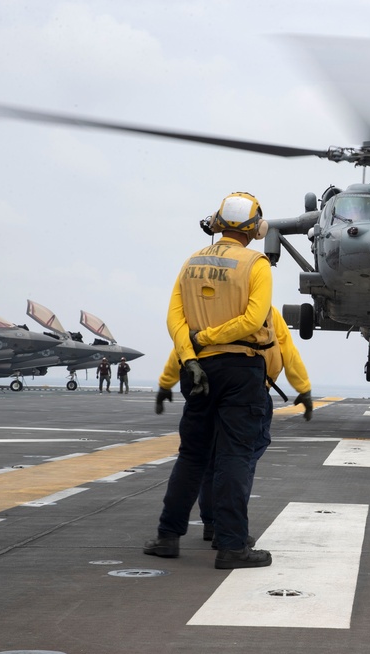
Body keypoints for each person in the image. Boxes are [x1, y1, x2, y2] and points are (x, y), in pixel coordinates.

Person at [144, 192, 276, 570]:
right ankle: (233, 546)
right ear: (254, 228)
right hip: (240, 370)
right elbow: (253, 321)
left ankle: (167, 537)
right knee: (234, 455)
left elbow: (176, 321)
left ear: (217, 222)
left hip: (197, 370)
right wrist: (212, 339)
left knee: (192, 456)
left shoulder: (191, 262)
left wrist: (191, 356)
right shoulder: (257, 264)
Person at [155, 306, 313, 544]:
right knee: (239, 461)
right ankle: (226, 532)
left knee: (200, 459)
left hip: (205, 386)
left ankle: (190, 530)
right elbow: (287, 349)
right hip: (249, 390)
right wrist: (303, 388)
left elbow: (182, 347)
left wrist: (166, 382)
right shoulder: (264, 312)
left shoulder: (203, 315)